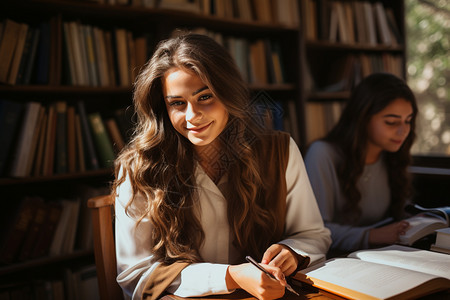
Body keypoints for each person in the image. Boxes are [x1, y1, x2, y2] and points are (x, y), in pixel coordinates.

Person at [112, 33, 331, 300]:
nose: (192, 116)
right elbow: (137, 275)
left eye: (205, 97)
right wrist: (231, 276)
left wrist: (292, 252)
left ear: (228, 94)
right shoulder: (139, 168)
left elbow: (312, 234)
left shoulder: (279, 151)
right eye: (177, 103)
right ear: (163, 108)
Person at [304, 72, 418, 257]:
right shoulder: (323, 153)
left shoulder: (392, 155)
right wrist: (371, 235)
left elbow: (400, 215)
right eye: (391, 122)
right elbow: (312, 231)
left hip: (384, 256)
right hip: (335, 261)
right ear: (362, 118)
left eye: (408, 121)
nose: (403, 131)